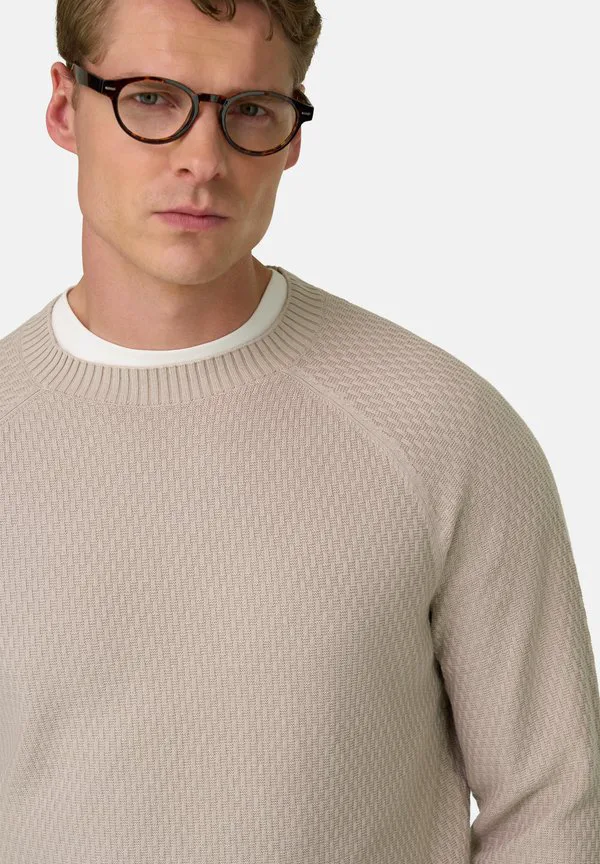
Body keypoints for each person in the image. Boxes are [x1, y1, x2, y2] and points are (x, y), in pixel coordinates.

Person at [0, 0, 598, 861]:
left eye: (249, 109)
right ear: (65, 108)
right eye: (153, 99)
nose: (203, 160)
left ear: (291, 139)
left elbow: (556, 804)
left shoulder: (442, 427)